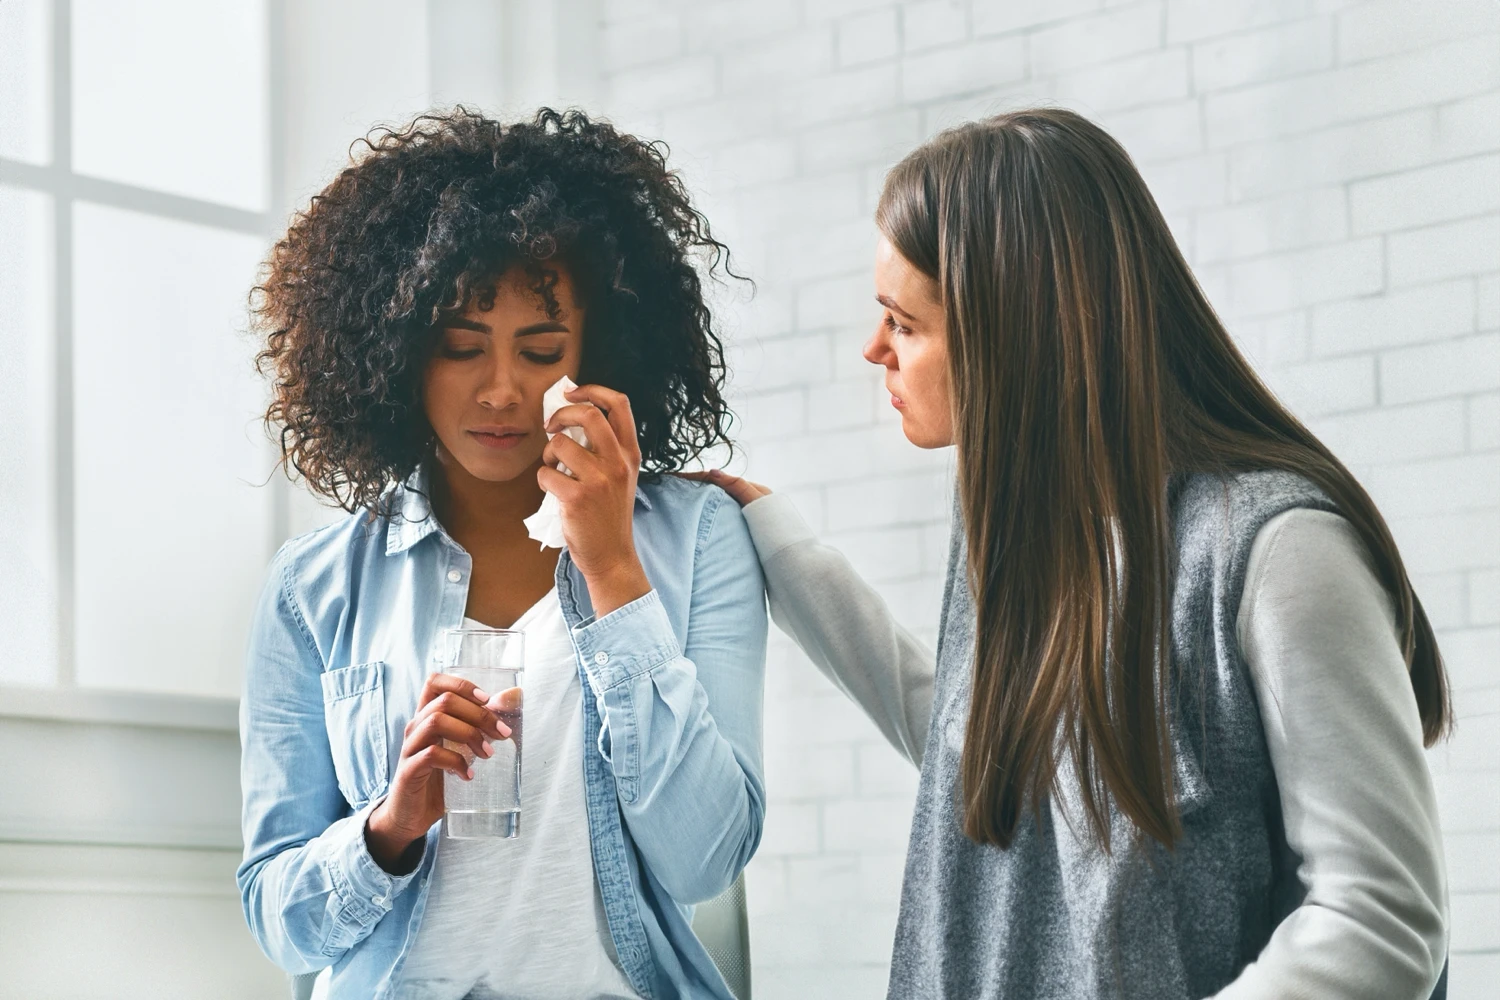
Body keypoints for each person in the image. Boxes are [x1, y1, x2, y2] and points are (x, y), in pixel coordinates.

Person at [701, 108, 1450, 999]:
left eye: (902, 323)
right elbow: (976, 751)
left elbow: (1380, 915)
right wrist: (784, 553)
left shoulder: (1280, 551)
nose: (874, 351)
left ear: (1011, 330)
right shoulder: (1036, 531)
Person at [237, 108, 767, 1000]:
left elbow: (705, 859)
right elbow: (277, 918)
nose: (499, 390)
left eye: (541, 349)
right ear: (400, 353)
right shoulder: (311, 589)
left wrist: (613, 569)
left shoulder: (697, 537)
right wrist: (390, 826)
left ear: (599, 349)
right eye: (459, 347)